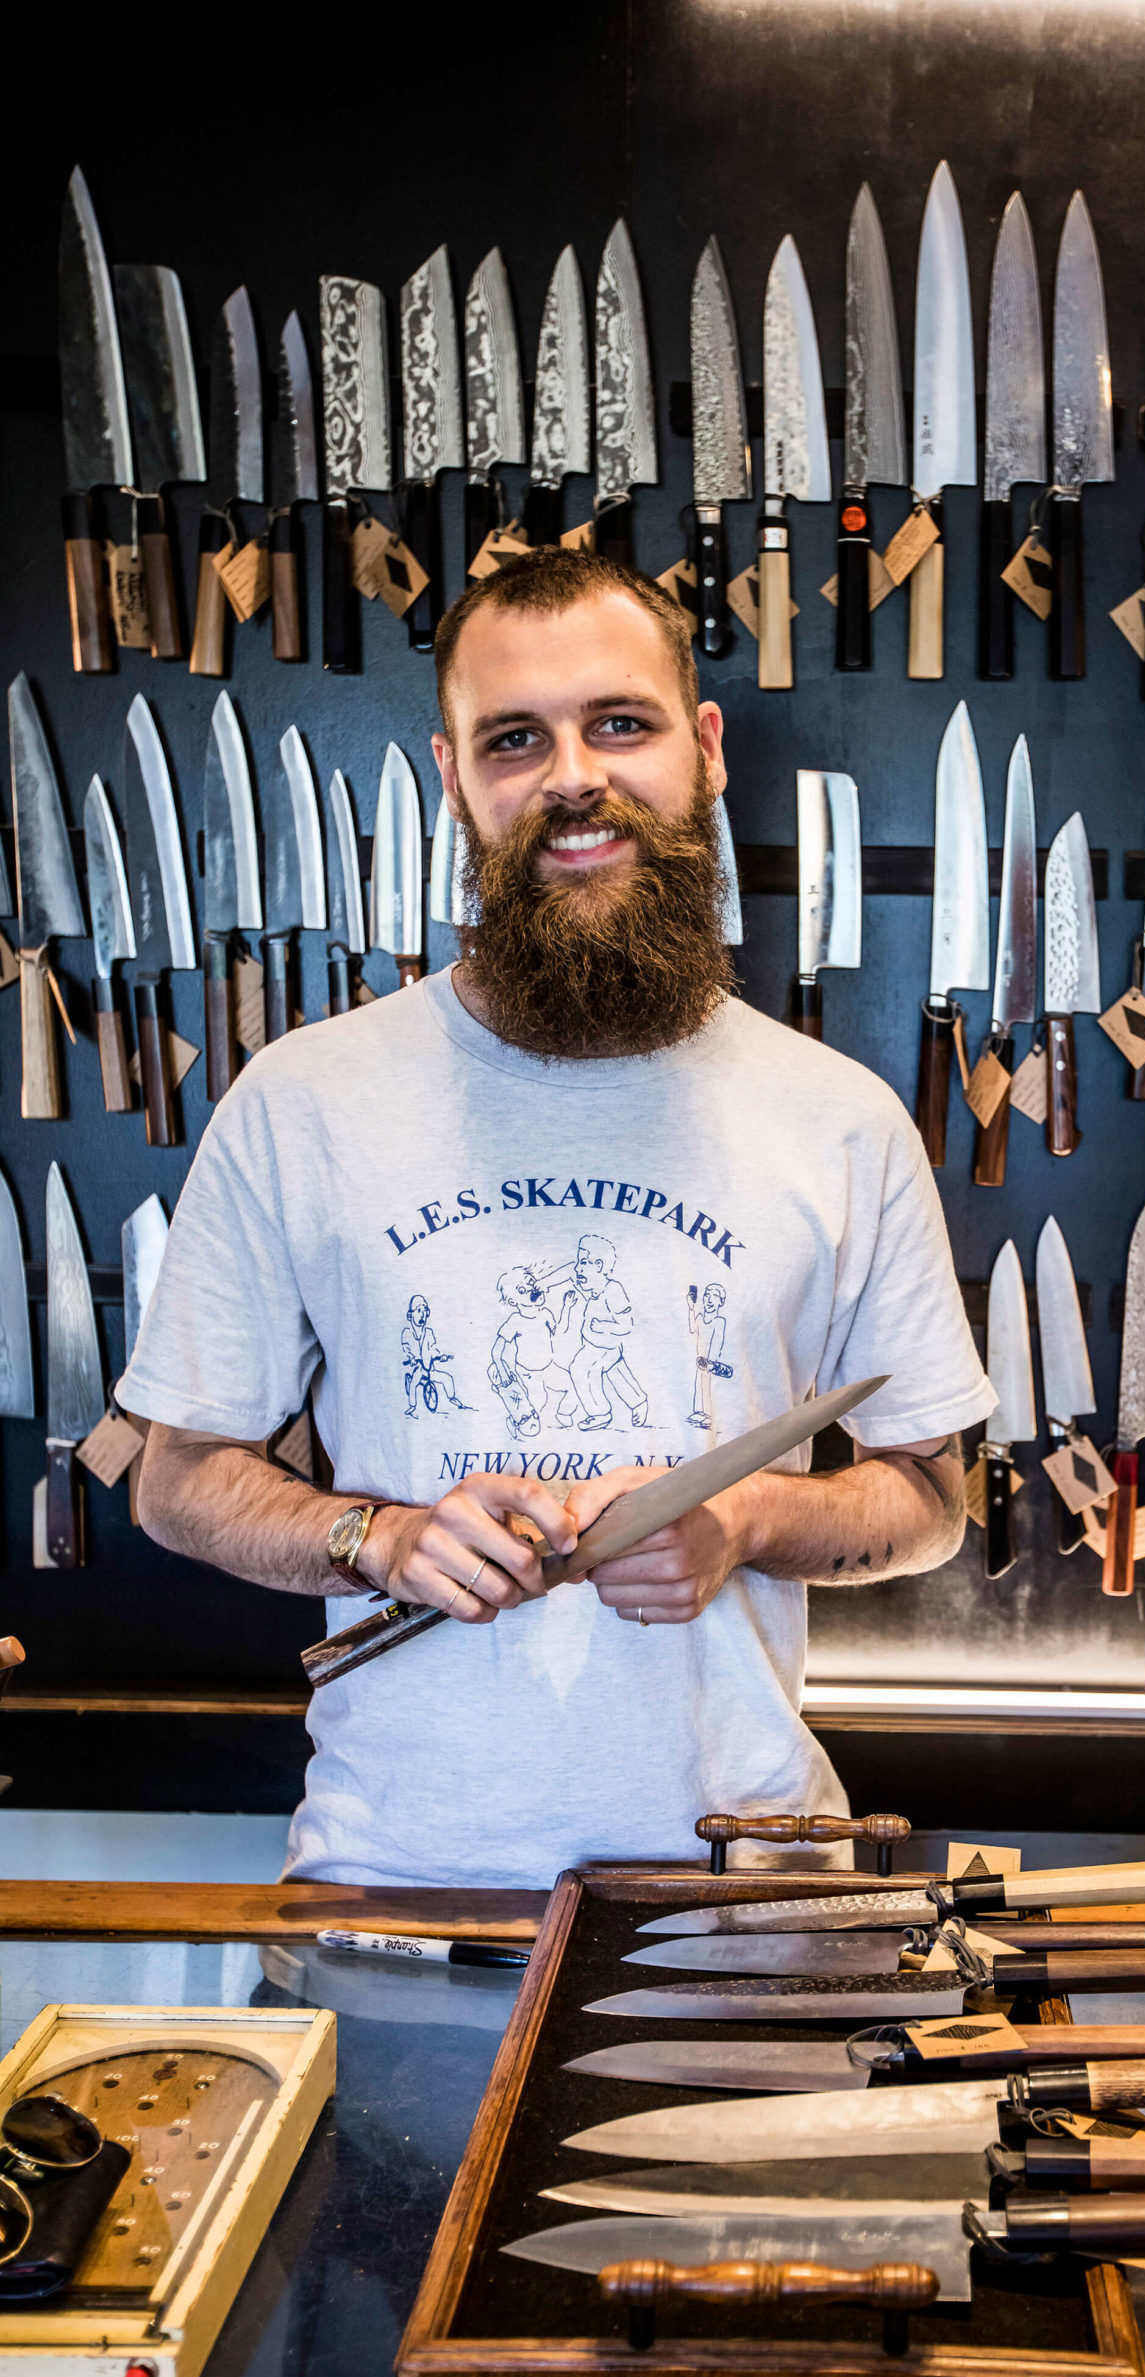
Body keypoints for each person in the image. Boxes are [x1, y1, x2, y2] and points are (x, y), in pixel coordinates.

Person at [122, 545, 992, 1888]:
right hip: (393, 1881)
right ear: (453, 775)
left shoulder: (842, 1119)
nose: (573, 777)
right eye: (516, 738)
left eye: (621, 724)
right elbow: (177, 1484)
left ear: (703, 751)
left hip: (746, 1888)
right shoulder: (304, 1103)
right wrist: (385, 1539)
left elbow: (935, 1498)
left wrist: (743, 1520)